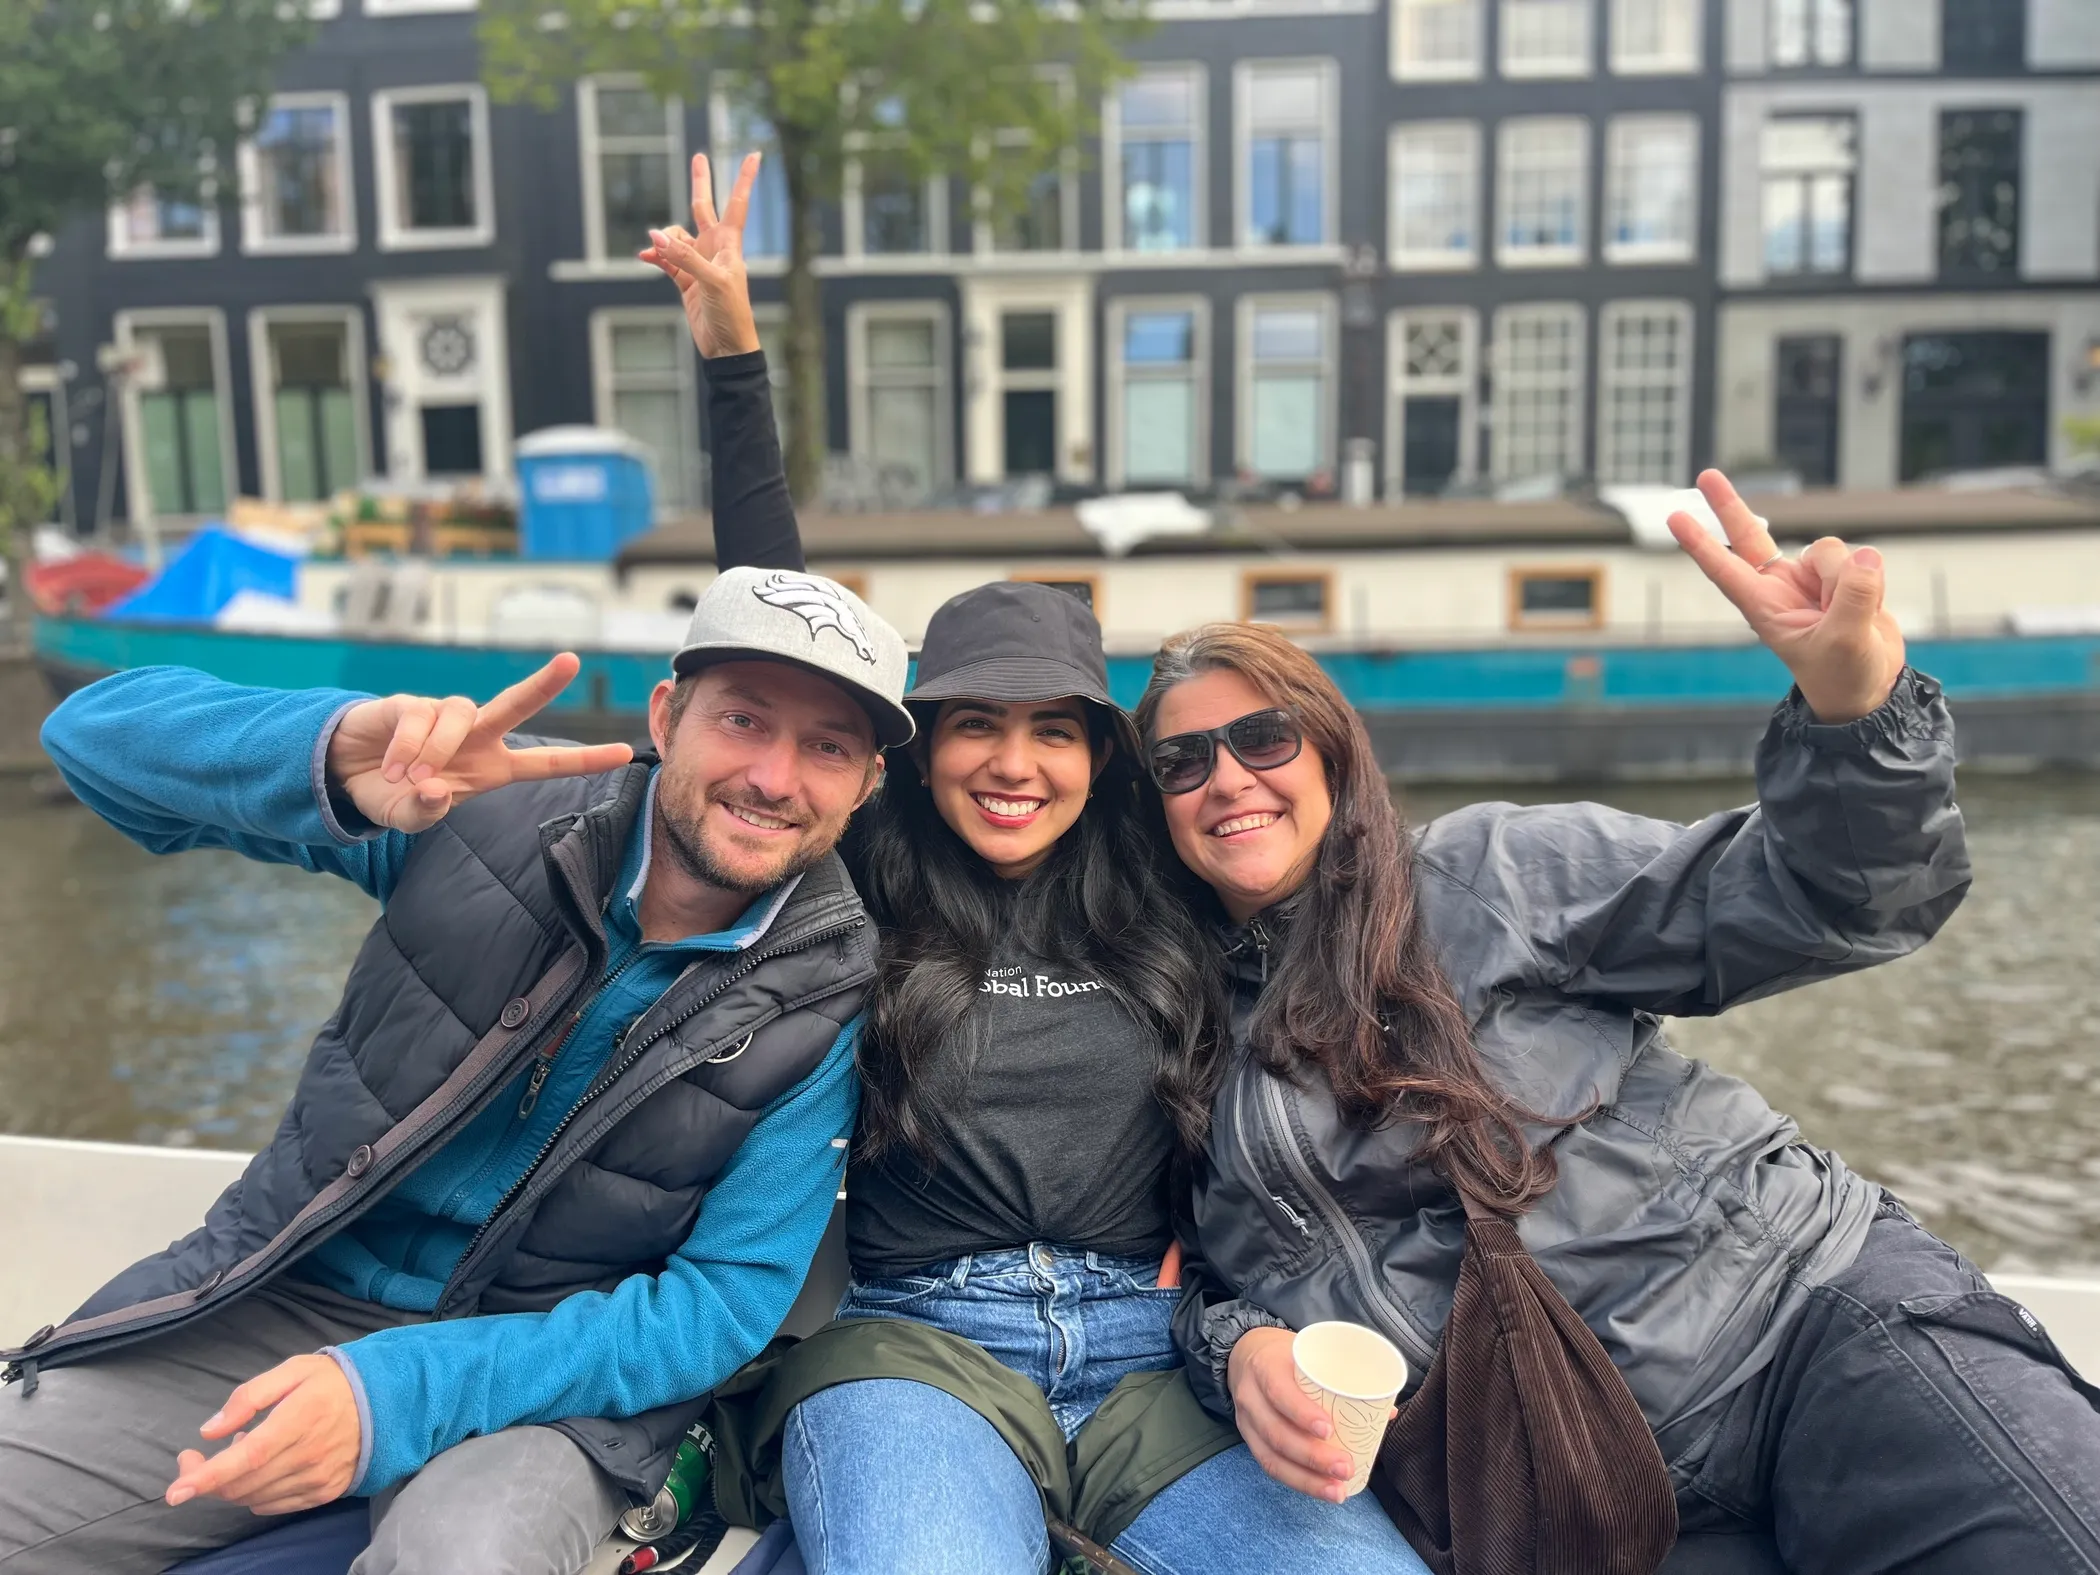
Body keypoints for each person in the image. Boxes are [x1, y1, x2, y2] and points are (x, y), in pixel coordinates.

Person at [638, 154, 1434, 1575]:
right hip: (918, 1346)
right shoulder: (867, 865)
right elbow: (786, 618)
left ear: (1103, 754)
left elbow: (1321, 844)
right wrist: (731, 356)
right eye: (976, 728)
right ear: (918, 749)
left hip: (1157, 1361)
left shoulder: (1159, 876)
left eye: (1053, 732)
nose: (1014, 764)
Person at [1138, 479, 2100, 1571]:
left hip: (1804, 1337)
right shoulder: (1177, 1030)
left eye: (1263, 737)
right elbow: (1185, 1282)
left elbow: (1835, 900)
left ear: (1330, 754)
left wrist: (1854, 711)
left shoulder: (1481, 872)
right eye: (1182, 761)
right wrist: (1241, 1349)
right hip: (1576, 1494)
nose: (1226, 778)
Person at [0, 566, 915, 1574]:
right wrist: (341, 754)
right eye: (743, 720)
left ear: (868, 786)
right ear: (665, 715)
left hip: (550, 1381)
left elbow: (716, 1311)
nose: (776, 779)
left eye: (828, 747)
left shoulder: (835, 989)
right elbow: (90, 743)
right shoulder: (484, 805)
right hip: (287, 1296)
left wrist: (398, 1392)